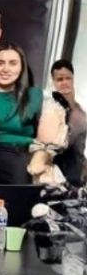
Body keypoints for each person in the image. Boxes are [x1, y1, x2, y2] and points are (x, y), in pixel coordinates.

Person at [0, 44, 47, 185]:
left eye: (13, 63)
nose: (5, 69)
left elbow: (45, 142)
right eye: (0, 63)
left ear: (21, 68)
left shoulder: (34, 96)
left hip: (19, 160)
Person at [50, 59, 86, 187]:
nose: (64, 82)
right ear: (53, 81)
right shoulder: (48, 107)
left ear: (73, 78)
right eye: (60, 79)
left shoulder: (81, 111)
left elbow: (80, 145)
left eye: (68, 78)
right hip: (53, 173)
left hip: (76, 175)